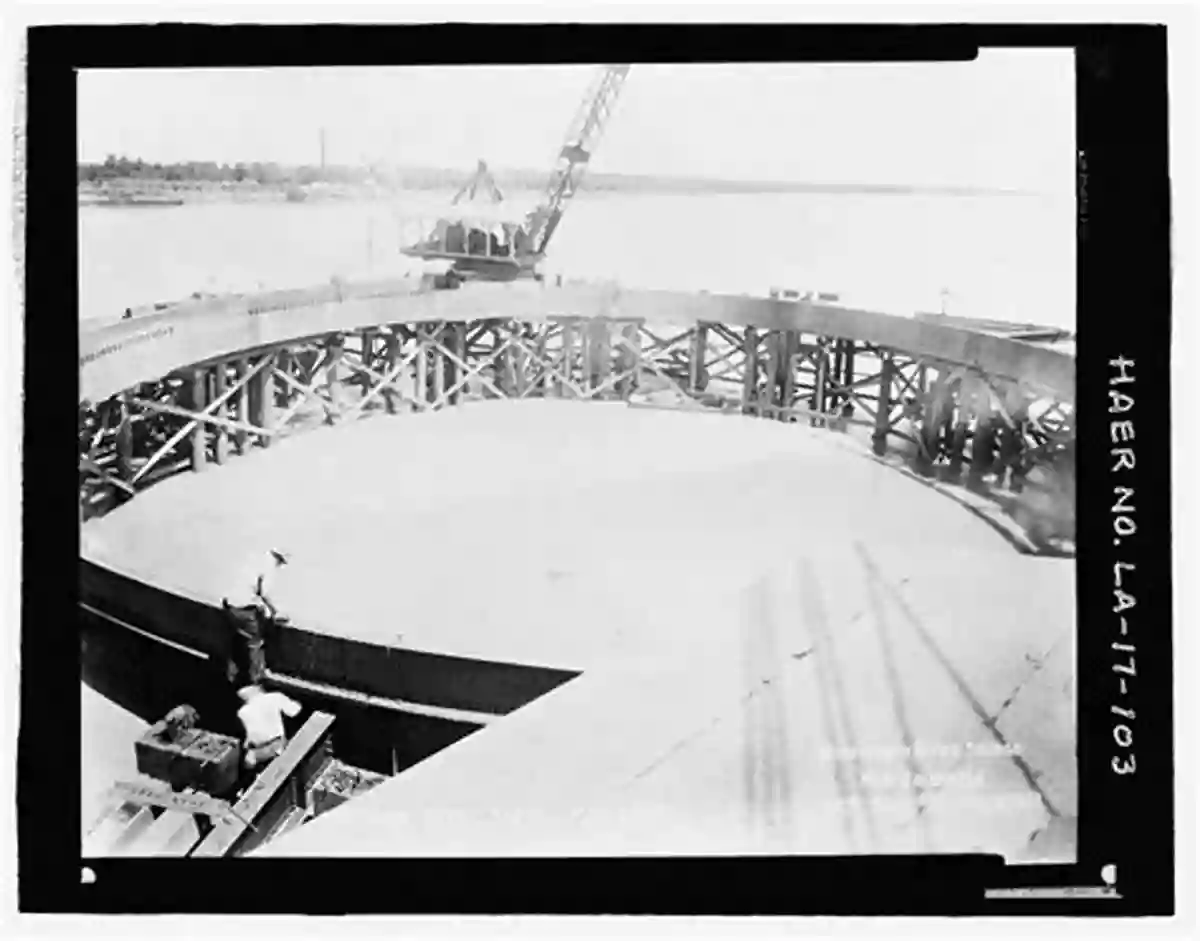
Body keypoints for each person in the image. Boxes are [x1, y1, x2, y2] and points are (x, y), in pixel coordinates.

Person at [222, 547, 289, 687]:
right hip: (243, 608)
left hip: (230, 605)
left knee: (238, 639)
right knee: (256, 642)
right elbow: (265, 592)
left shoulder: (254, 558)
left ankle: (231, 675)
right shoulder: (269, 567)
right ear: (279, 558)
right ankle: (257, 679)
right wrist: (276, 611)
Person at [236, 685, 303, 771]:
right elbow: (295, 711)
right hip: (278, 745)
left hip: (262, 752)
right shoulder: (275, 696)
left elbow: (249, 739)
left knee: (246, 764)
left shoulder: (242, 712)